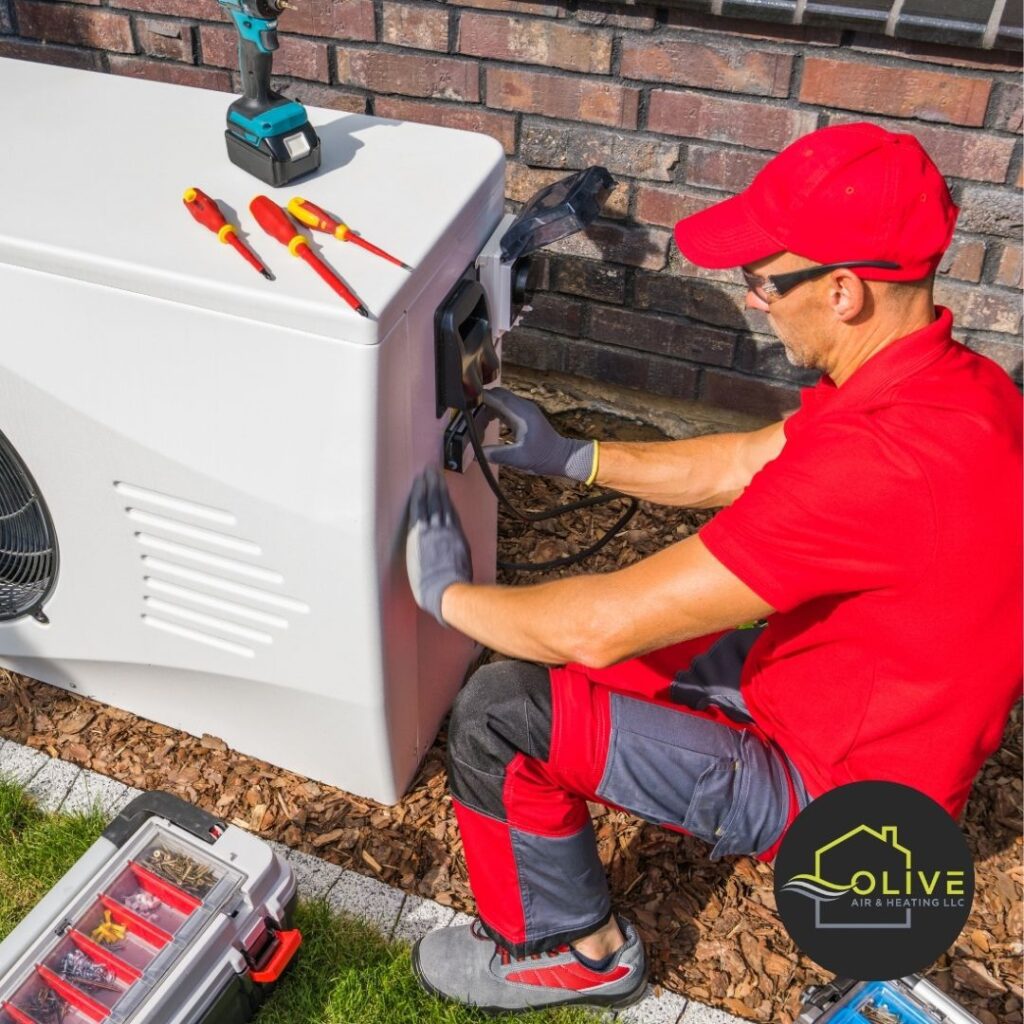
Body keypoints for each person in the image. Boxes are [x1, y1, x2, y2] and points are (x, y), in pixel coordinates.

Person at [403, 122, 1024, 1013]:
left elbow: (597, 623)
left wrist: (443, 596)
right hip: (865, 715)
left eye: (766, 281)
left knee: (500, 715)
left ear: (845, 291)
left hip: (833, 791)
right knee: (573, 664)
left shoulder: (881, 461)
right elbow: (743, 462)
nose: (758, 301)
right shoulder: (958, 387)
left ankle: (570, 955)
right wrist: (577, 457)